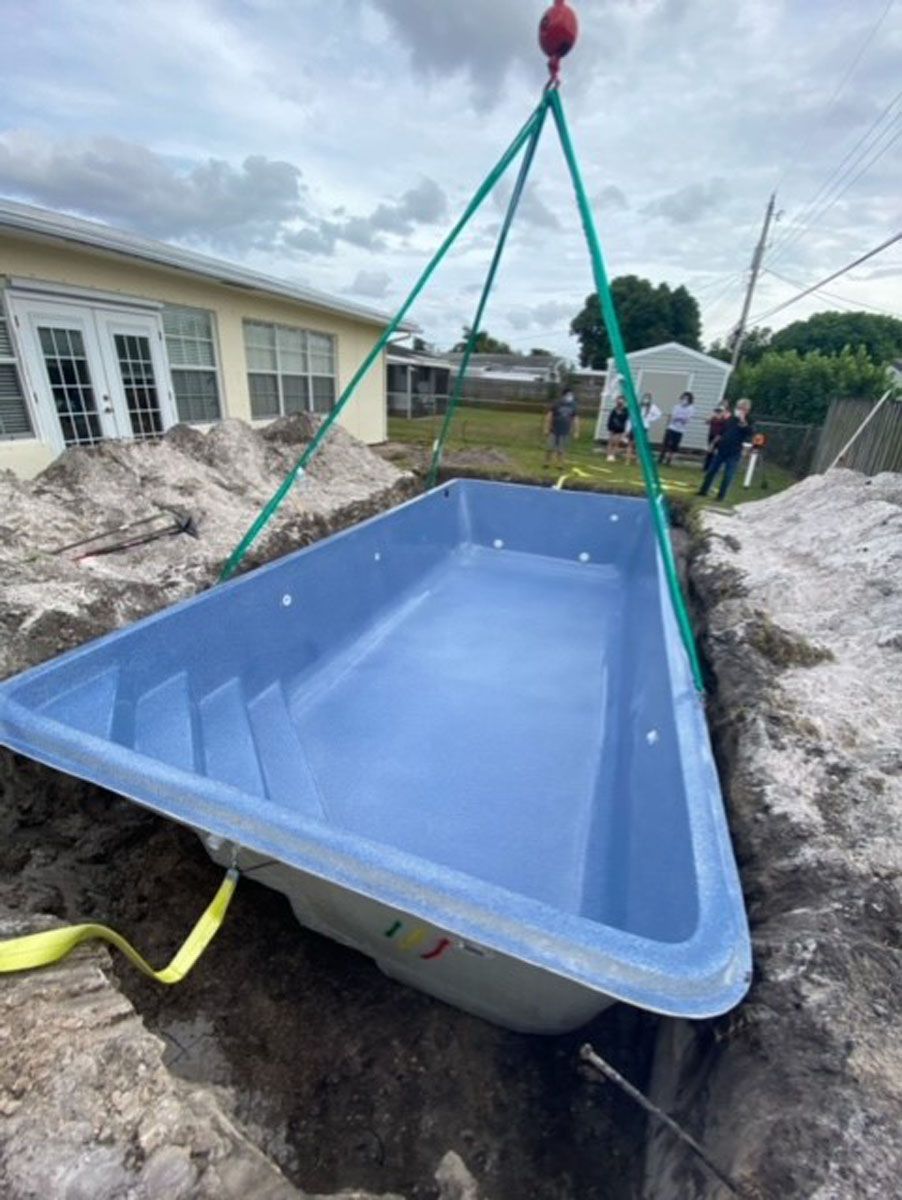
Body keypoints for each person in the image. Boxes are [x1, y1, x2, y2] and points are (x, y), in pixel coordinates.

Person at [698, 398, 754, 501]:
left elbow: (750, 433)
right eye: (738, 407)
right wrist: (713, 444)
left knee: (728, 475)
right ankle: (703, 491)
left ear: (747, 410)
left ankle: (721, 496)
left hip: (734, 452)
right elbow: (721, 432)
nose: (739, 410)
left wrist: (743, 421)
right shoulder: (731, 419)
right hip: (722, 449)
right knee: (711, 471)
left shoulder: (749, 421)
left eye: (742, 408)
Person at [543, 387, 579, 468]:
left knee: (561, 449)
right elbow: (549, 416)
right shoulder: (556, 404)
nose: (570, 396)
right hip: (554, 430)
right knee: (550, 447)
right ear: (564, 395)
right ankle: (546, 462)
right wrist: (546, 428)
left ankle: (560, 464)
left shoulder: (573, 405)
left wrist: (576, 431)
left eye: (571, 395)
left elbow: (575, 419)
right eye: (568, 395)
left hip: (565, 431)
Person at [659, 391, 695, 466]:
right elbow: (673, 416)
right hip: (671, 427)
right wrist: (679, 418)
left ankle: (669, 460)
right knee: (666, 443)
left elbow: (687, 419)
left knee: (674, 446)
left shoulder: (691, 408)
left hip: (680, 429)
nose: (684, 400)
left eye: (687, 399)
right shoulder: (676, 406)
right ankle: (661, 458)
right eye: (684, 398)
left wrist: (681, 418)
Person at [626, 393, 662, 463]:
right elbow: (631, 417)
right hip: (635, 426)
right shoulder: (638, 406)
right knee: (631, 443)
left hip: (644, 427)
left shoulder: (652, 407)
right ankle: (628, 459)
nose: (646, 400)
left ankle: (638, 459)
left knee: (640, 444)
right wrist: (628, 428)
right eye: (645, 398)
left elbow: (659, 414)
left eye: (647, 398)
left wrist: (650, 419)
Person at [704, 403, 730, 472]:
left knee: (717, 452)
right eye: (717, 411)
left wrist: (719, 437)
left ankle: (715, 467)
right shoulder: (713, 418)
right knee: (710, 451)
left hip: (719, 436)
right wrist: (710, 417)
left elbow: (725, 428)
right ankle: (706, 467)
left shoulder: (725, 419)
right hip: (711, 435)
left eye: (720, 411)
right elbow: (706, 422)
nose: (718, 413)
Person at [605, 395, 629, 461]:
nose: (619, 402)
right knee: (610, 441)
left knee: (616, 441)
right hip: (612, 427)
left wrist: (625, 430)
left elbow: (626, 419)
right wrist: (609, 426)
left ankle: (613, 455)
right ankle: (608, 454)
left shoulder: (626, 410)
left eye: (621, 400)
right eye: (618, 400)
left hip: (620, 428)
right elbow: (610, 419)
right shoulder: (614, 409)